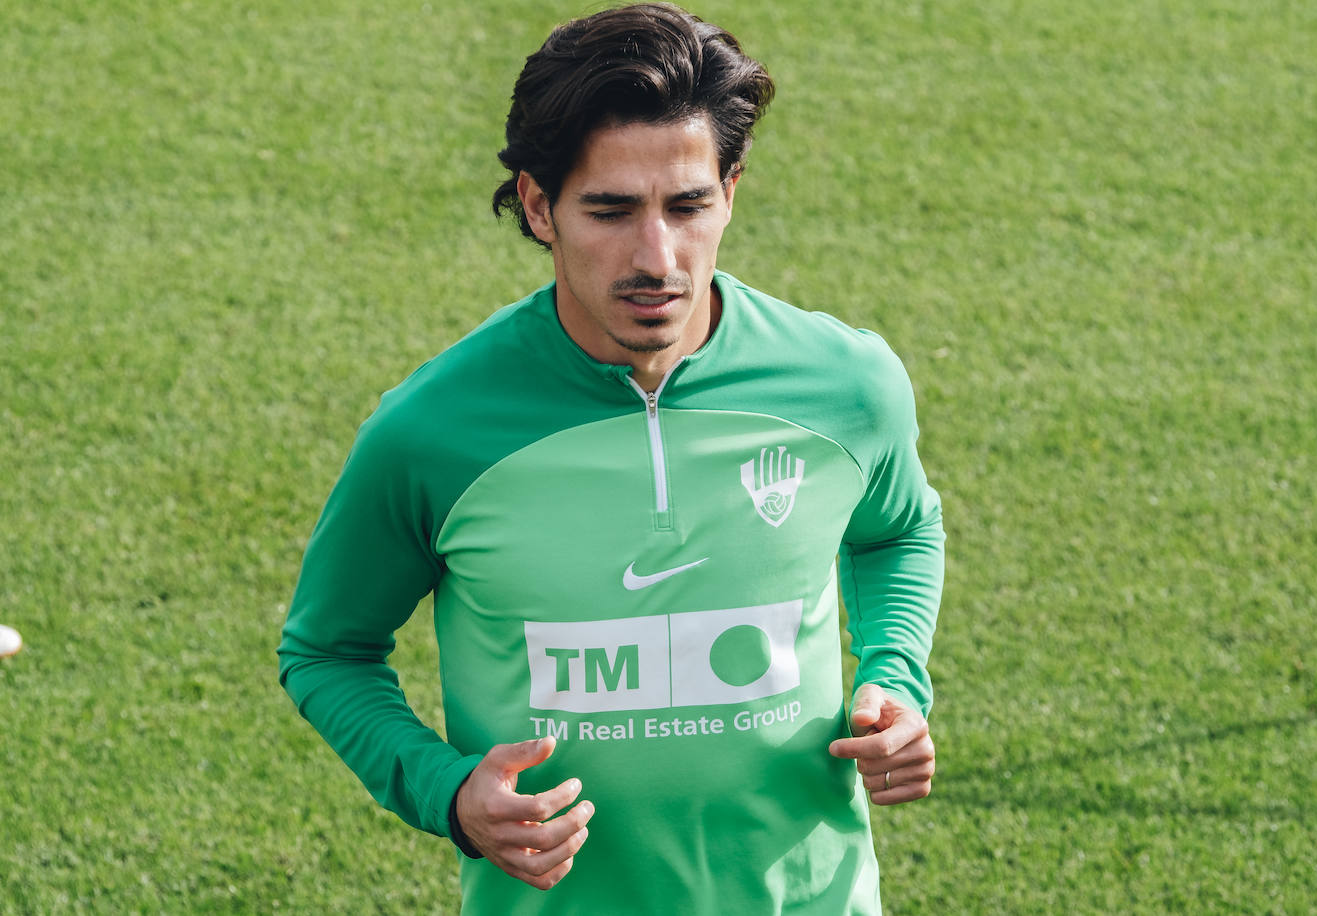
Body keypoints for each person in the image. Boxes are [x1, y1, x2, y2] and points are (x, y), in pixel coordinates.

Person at [277, 4, 944, 913]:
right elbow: (327, 650)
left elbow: (900, 528)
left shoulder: (847, 387)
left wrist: (894, 682)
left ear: (731, 190)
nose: (657, 257)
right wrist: (449, 793)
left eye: (688, 205)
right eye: (612, 210)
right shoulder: (431, 432)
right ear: (537, 205)